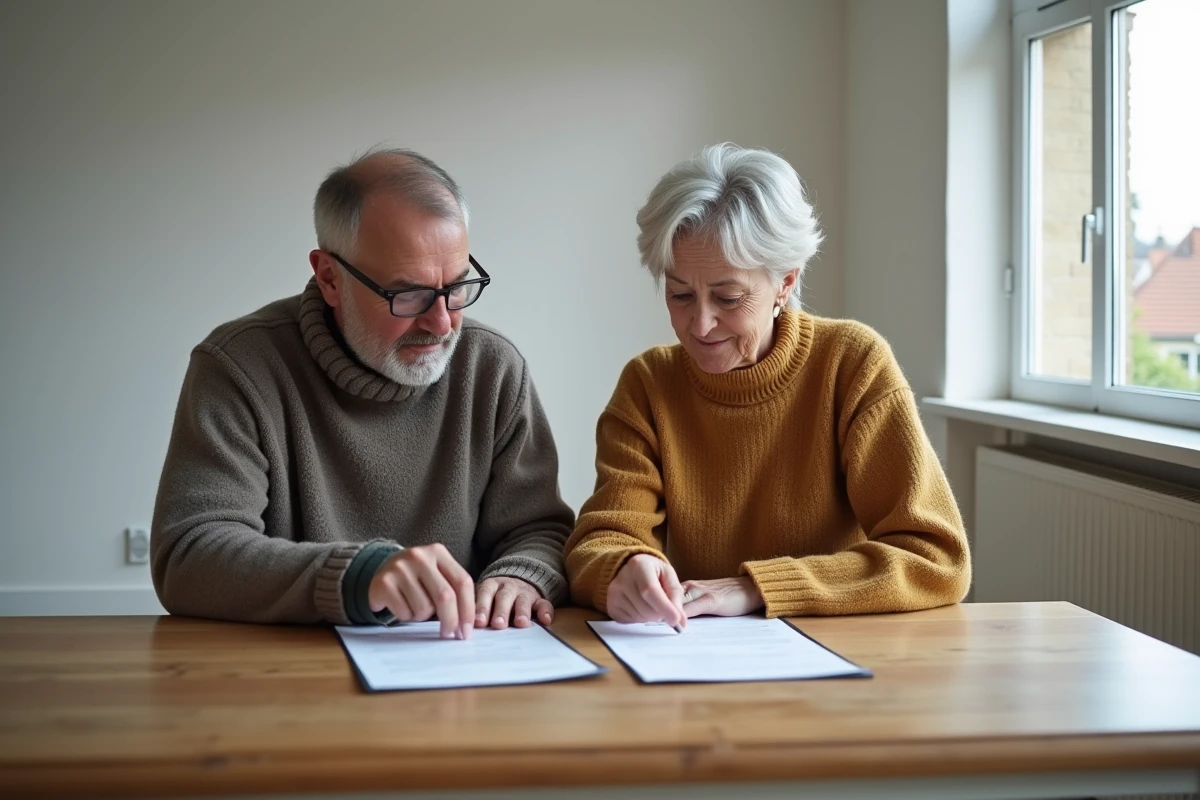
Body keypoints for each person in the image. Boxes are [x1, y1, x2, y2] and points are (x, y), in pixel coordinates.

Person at [151, 148, 573, 638]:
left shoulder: (492, 367)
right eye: (408, 294)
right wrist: (358, 576)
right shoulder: (240, 366)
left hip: (455, 670)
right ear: (330, 277)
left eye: (457, 288)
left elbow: (538, 529)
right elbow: (189, 554)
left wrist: (520, 575)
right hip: (285, 681)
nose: (441, 323)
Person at [564, 143, 970, 627]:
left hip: (842, 658)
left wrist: (755, 587)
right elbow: (598, 540)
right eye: (679, 295)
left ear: (785, 282)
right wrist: (624, 567)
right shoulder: (648, 385)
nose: (700, 324)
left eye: (728, 297)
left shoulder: (852, 364)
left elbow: (936, 559)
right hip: (693, 660)